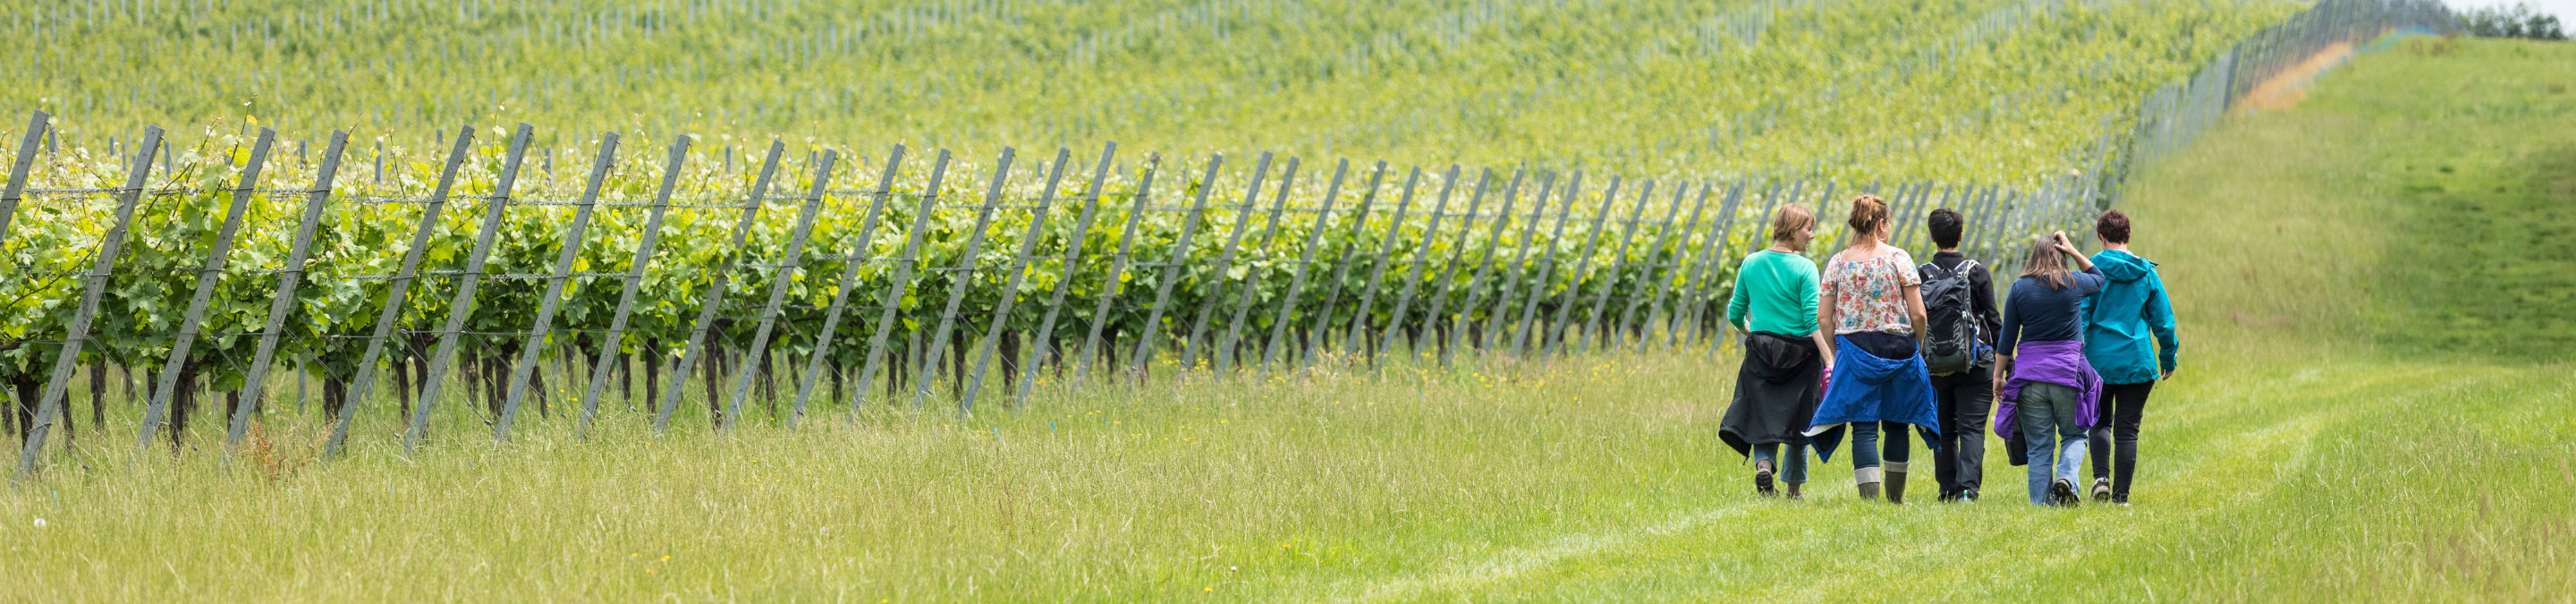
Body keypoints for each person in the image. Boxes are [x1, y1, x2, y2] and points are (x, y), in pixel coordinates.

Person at [1808, 195, 1939, 503]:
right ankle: (1895, 500)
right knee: (1897, 423)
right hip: (1899, 348)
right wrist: (1917, 347)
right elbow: (1919, 313)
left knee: (1863, 427)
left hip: (1855, 349)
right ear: (1881, 224)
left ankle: (1869, 501)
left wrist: (1839, 350)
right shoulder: (1898, 258)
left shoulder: (1838, 263)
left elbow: (1823, 317)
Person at [1721, 205, 1831, 499]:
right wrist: (1830, 358)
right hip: (1802, 356)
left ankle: (1764, 468)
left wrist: (1751, 333)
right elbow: (1812, 320)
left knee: (1763, 415)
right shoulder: (1805, 268)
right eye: (1808, 228)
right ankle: (1794, 491)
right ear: (1794, 230)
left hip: (1761, 351)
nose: (1812, 234)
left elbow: (1735, 314)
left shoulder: (1751, 262)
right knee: (1800, 421)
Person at [1994, 232, 2106, 506]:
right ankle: (2066, 477)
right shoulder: (2073, 282)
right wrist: (2074, 249)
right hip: (2068, 376)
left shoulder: (2020, 288)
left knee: (2039, 447)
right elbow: (2100, 278)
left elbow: (2007, 339)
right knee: (2074, 435)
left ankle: (2042, 507)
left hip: (2029, 378)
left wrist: (1997, 376)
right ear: (2062, 254)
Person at [2081, 210, 2178, 504]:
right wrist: (2168, 357)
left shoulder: (2090, 270)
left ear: (2101, 237)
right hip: (2137, 361)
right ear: (2129, 235)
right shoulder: (2146, 272)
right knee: (2127, 430)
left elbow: (2082, 316)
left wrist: (2078, 355)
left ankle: (2101, 478)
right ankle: (2121, 499)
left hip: (2098, 361)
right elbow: (2164, 321)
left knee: (2098, 422)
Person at [1919, 208, 1999, 502]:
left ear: (1932, 237)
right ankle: (1968, 490)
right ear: (1961, 235)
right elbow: (1994, 321)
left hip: (1935, 365)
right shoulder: (1977, 272)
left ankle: (1947, 489)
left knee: (1944, 429)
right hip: (1976, 364)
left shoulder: (1922, 274)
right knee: (1972, 429)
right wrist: (2006, 364)